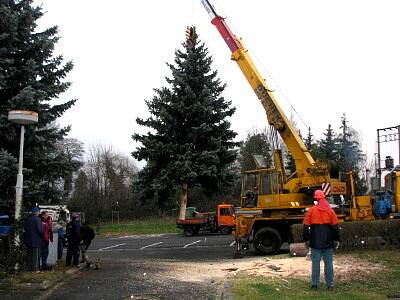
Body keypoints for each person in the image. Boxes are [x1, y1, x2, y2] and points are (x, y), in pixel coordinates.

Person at [303, 189, 340, 289]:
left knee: (315, 264)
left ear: (315, 199)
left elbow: (306, 226)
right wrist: (336, 240)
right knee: (328, 264)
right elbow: (335, 227)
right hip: (328, 242)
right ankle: (330, 284)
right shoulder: (330, 211)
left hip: (315, 242)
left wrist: (306, 240)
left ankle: (314, 284)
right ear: (324, 198)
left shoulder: (311, 211)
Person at [23, 207, 44, 272]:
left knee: (29, 255)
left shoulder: (28, 219)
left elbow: (25, 228)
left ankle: (29, 268)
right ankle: (35, 269)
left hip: (28, 239)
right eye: (38, 212)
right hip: (36, 240)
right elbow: (40, 230)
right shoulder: (38, 219)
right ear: (36, 212)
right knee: (36, 255)